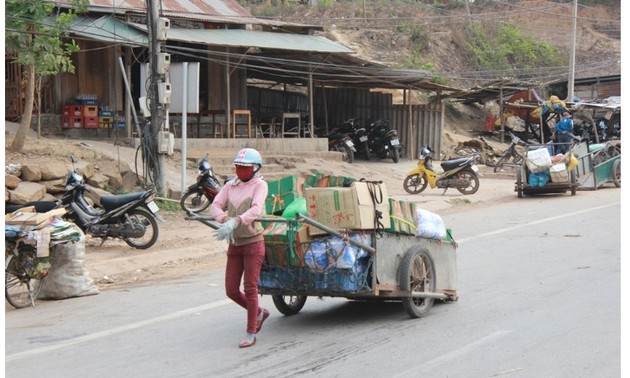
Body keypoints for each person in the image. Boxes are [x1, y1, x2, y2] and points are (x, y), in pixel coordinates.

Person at [209, 148, 269, 348]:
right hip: (235, 244)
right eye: (238, 167)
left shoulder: (260, 185)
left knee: (250, 288)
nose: (240, 170)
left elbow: (256, 209)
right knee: (231, 290)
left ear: (255, 168)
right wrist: (224, 219)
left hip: (253, 242)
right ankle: (260, 312)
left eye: (245, 167)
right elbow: (215, 205)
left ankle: (251, 331)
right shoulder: (229, 186)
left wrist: (236, 222)